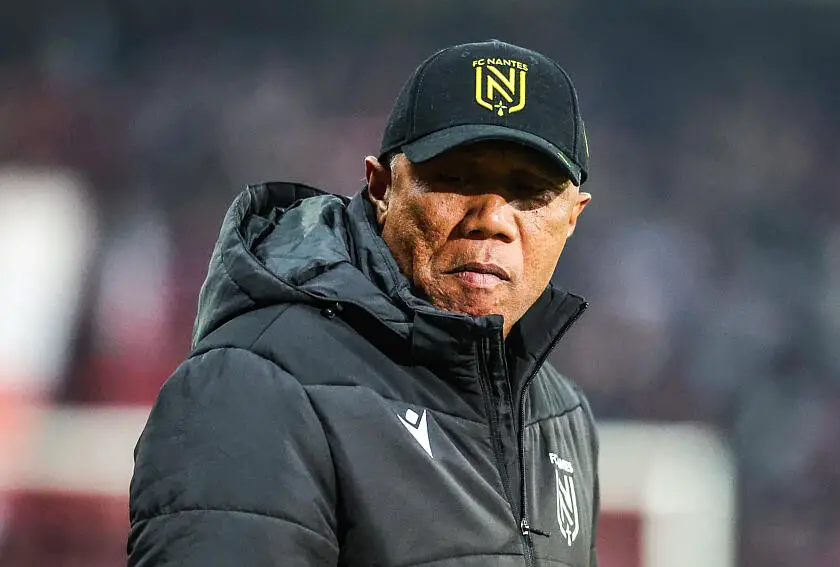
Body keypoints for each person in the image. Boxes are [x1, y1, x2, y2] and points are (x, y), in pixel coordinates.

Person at [128, 39, 598, 567]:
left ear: (573, 216)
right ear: (381, 188)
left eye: (529, 192)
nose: (491, 219)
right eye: (456, 180)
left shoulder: (560, 412)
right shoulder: (254, 388)